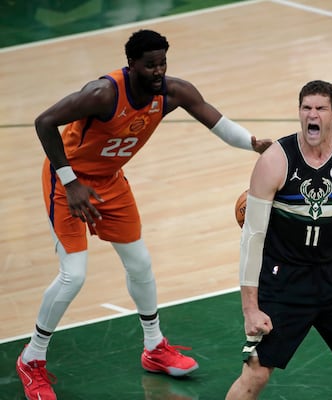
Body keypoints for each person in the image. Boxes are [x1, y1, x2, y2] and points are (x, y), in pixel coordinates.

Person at [16, 29, 272, 400]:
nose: (158, 71)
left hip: (109, 181)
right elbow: (44, 122)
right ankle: (32, 359)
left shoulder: (172, 92)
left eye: (162, 63)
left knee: (139, 263)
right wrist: (70, 182)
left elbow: (216, 121)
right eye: (150, 65)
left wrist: (252, 144)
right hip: (68, 181)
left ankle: (154, 347)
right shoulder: (102, 94)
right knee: (73, 275)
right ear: (132, 64)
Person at [225, 80, 332, 399]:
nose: (312, 115)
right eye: (306, 108)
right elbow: (253, 236)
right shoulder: (275, 161)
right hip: (283, 280)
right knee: (255, 376)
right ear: (299, 113)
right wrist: (250, 308)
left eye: (320, 108)